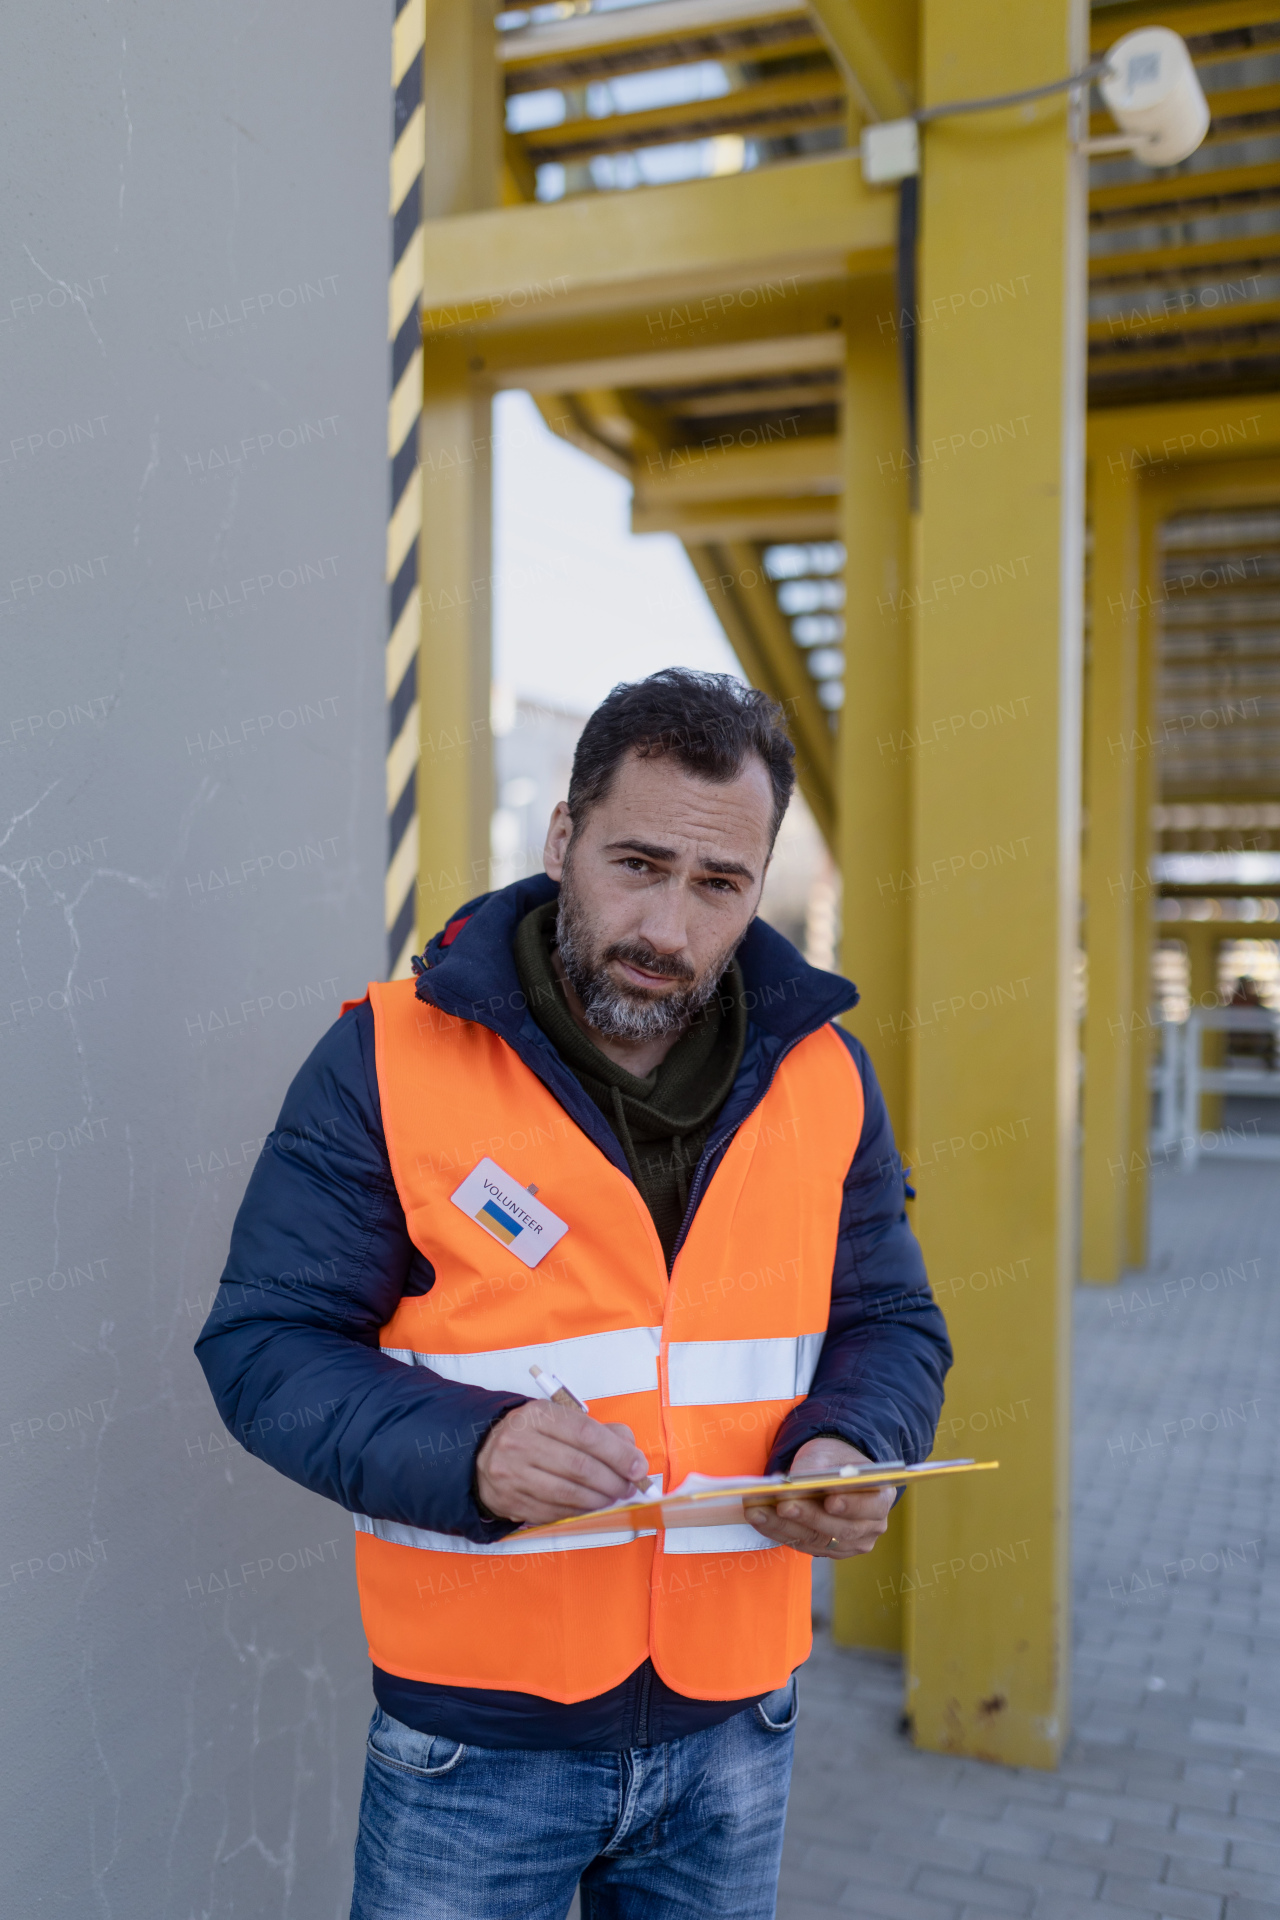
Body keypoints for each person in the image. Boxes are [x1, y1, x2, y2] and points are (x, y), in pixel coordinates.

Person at [195, 669, 951, 1920]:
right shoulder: (386, 1058)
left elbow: (889, 1324)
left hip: (736, 1725)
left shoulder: (825, 1077)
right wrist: (474, 1451)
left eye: (719, 885)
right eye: (635, 865)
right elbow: (265, 1346)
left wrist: (850, 1439)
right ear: (561, 841)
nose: (669, 926)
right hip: (475, 1740)